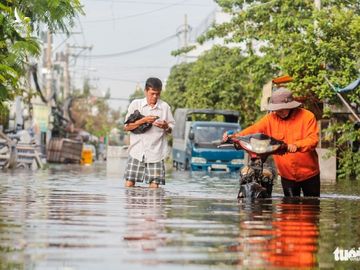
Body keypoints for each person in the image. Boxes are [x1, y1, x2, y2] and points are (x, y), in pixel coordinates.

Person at [223, 87, 320, 197]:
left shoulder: (307, 116)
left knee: (312, 206)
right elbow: (254, 129)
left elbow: (313, 139)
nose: (280, 112)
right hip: (286, 174)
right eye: (277, 109)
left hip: (309, 173)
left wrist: (296, 145)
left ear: (291, 106)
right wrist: (235, 136)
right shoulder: (270, 119)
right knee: (288, 209)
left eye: (283, 109)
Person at [123, 77, 175, 188]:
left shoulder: (165, 107)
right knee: (129, 183)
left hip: (156, 153)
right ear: (146, 91)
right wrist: (144, 120)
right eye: (152, 94)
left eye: (157, 94)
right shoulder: (135, 105)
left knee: (155, 186)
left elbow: (171, 129)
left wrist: (166, 126)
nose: (155, 97)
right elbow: (126, 127)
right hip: (136, 151)